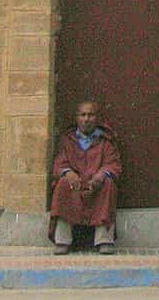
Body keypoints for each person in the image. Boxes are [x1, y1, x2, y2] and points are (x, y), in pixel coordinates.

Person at [49, 99, 121, 254]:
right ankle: (62, 240)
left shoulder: (105, 140)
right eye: (83, 115)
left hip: (97, 185)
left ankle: (104, 239)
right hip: (75, 185)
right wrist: (68, 173)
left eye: (91, 115)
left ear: (97, 118)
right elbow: (59, 163)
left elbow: (113, 164)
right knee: (62, 184)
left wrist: (101, 175)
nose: (87, 119)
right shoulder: (67, 140)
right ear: (77, 117)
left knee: (109, 184)